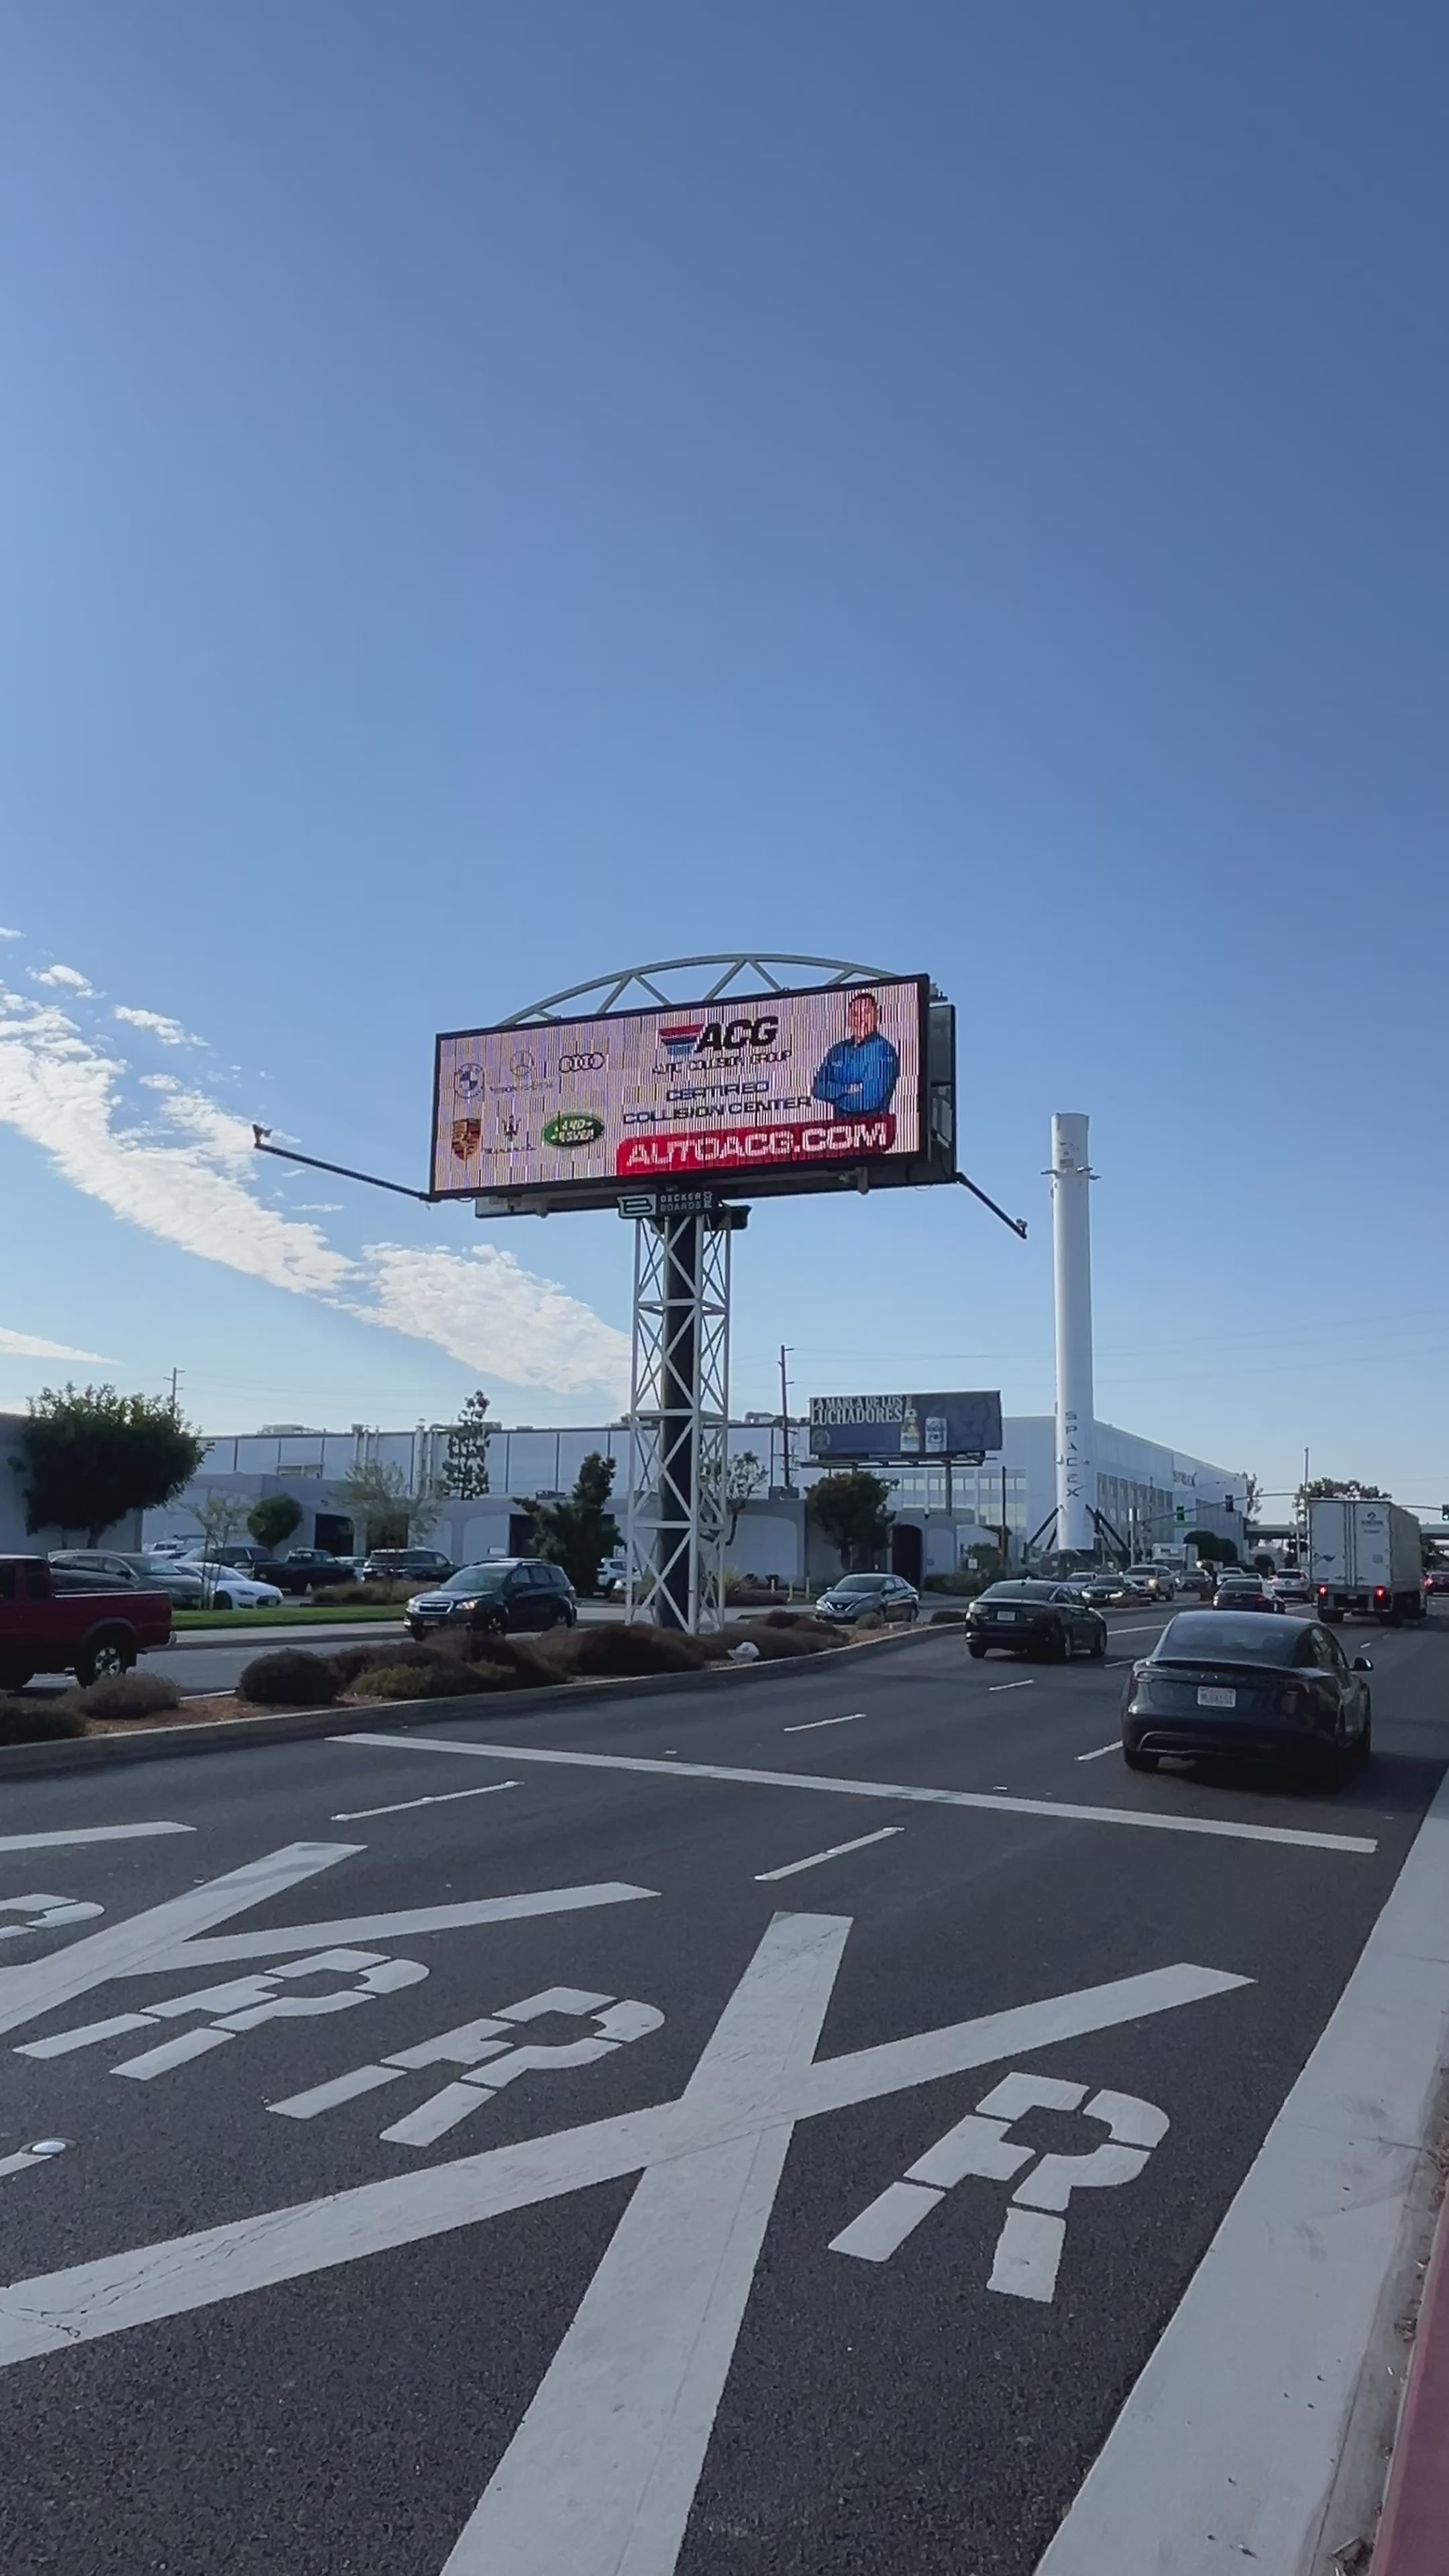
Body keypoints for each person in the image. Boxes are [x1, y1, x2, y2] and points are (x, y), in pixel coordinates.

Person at [810, 991, 900, 1116]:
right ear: (849, 1018)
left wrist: (835, 1098)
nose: (861, 1020)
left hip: (872, 1131)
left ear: (876, 1016)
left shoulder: (883, 1050)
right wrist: (847, 1089)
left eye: (866, 1013)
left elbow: (868, 1100)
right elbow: (818, 1089)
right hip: (838, 1132)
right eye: (855, 1014)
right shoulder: (837, 1050)